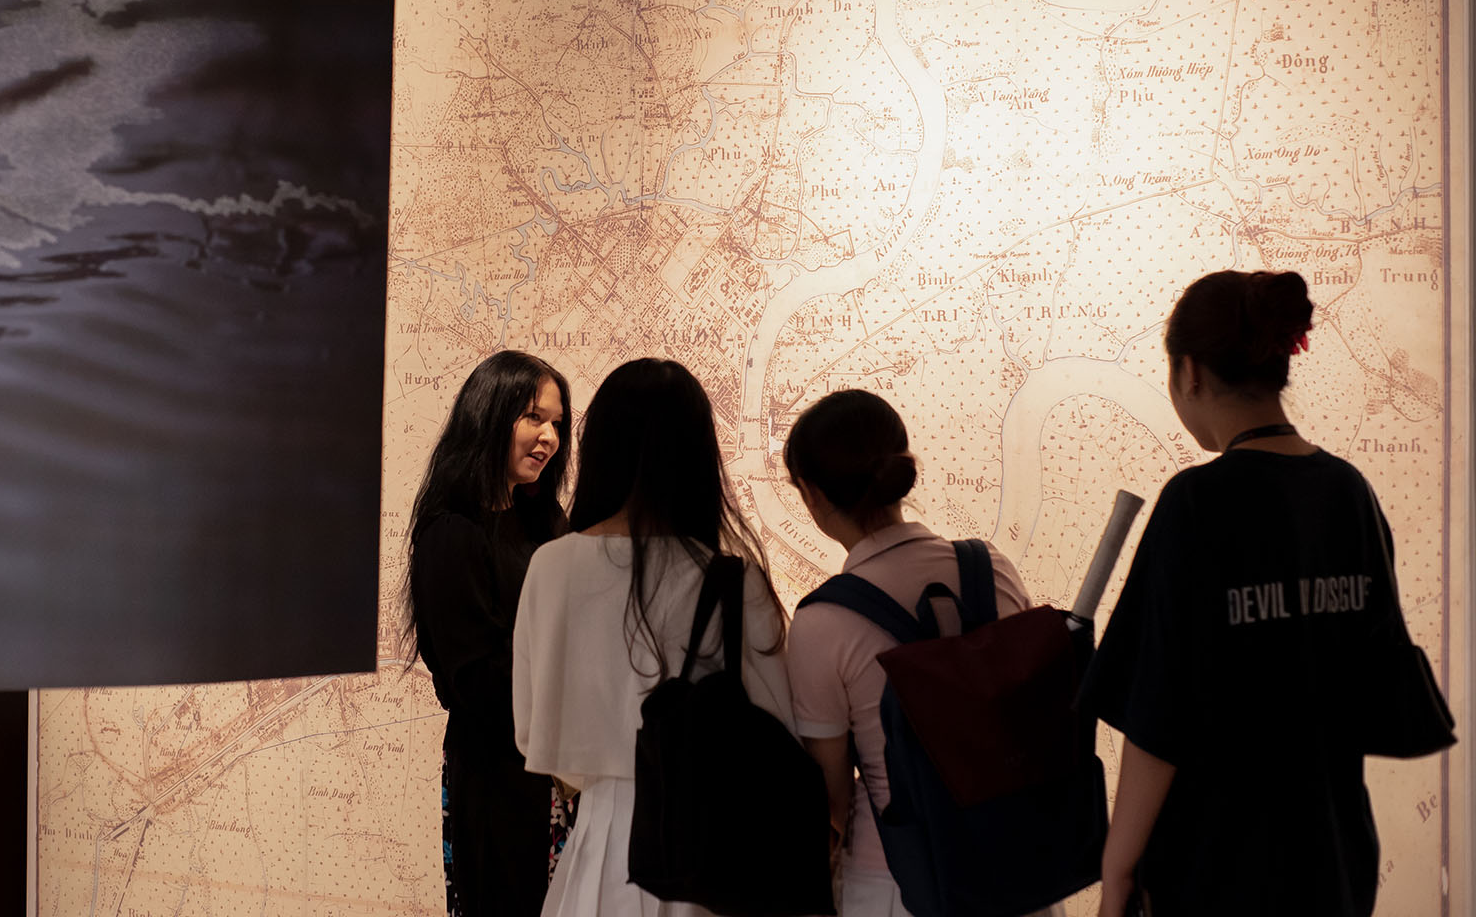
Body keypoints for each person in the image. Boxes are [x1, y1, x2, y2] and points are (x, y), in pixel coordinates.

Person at [1082, 269, 1406, 916]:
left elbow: (1158, 721)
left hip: (1216, 870)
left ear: (1191, 373)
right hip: (1334, 859)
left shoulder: (1195, 504)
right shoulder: (1350, 494)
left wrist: (1116, 872)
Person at [512, 358, 796, 916]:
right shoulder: (731, 579)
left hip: (597, 844)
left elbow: (531, 727)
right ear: (697, 454)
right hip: (711, 849)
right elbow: (776, 728)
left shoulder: (551, 565)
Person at [782, 388, 1058, 916]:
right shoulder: (989, 567)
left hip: (898, 879)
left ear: (812, 494)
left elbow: (831, 797)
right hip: (1015, 862)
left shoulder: (823, 622)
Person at [404, 349, 576, 917]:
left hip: (563, 771)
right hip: (499, 775)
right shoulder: (452, 533)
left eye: (556, 422)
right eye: (532, 417)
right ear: (488, 416)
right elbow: (474, 678)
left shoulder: (547, 523)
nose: (548, 437)